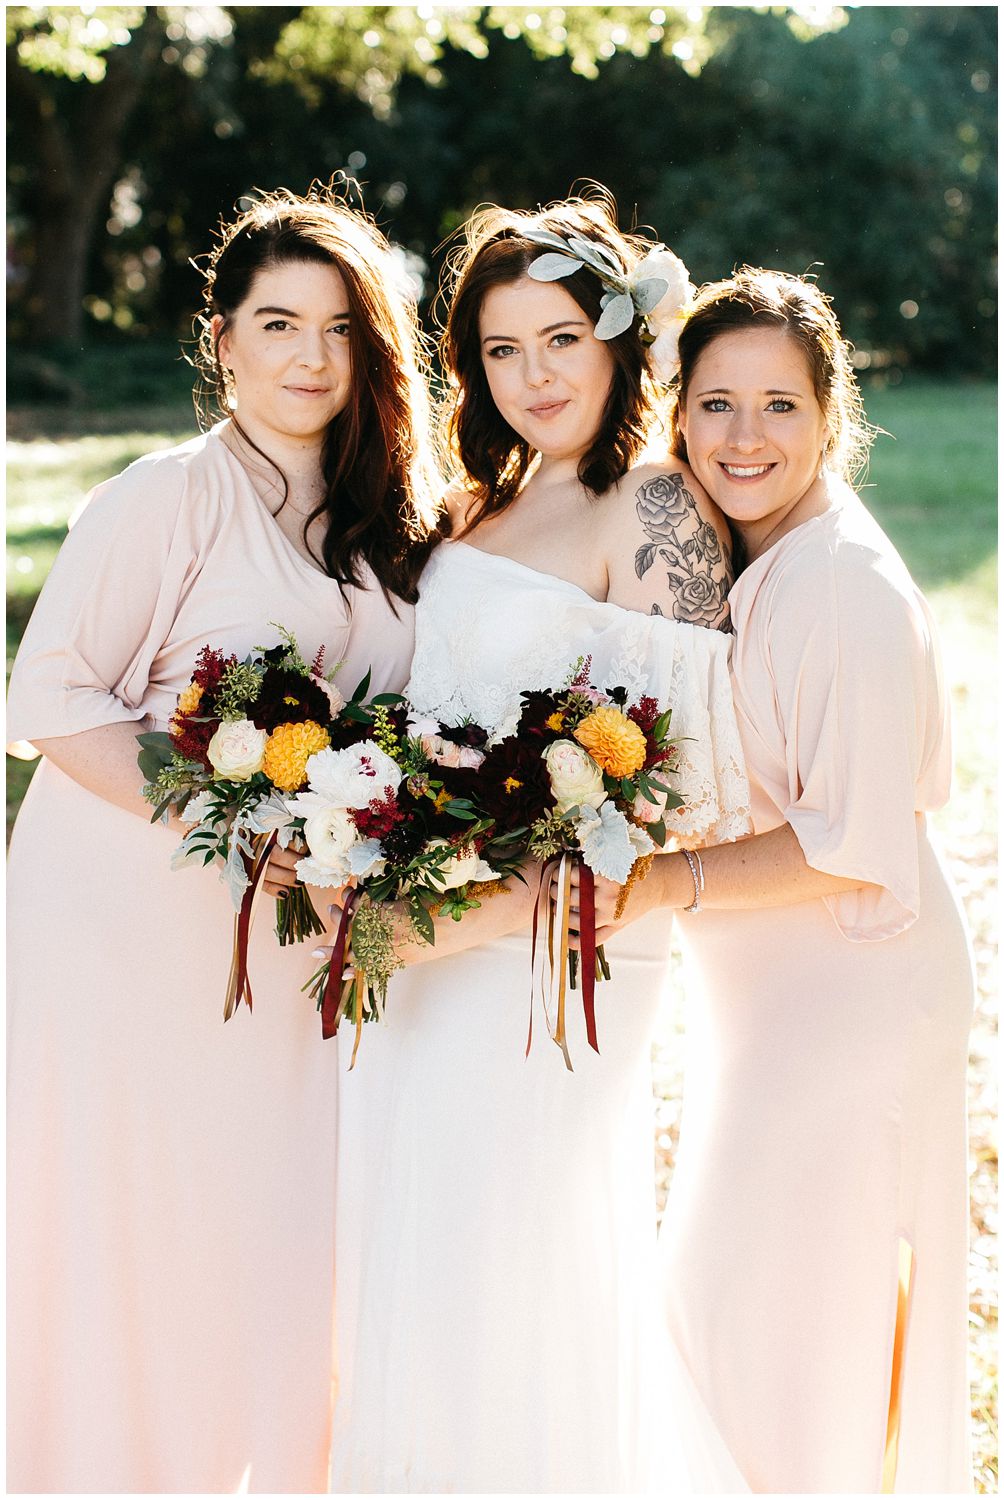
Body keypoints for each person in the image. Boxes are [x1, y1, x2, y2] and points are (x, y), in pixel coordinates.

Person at [6, 183, 439, 1492]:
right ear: (223, 339)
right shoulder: (165, 498)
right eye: (277, 323)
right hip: (127, 930)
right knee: (140, 1220)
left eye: (338, 328)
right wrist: (235, 815)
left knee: (266, 1223)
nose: (310, 356)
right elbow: (46, 699)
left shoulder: (386, 521)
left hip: (293, 940)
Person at [320, 194, 752, 1492]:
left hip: (545, 967)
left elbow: (679, 782)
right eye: (501, 351)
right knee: (408, 1252)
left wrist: (480, 906)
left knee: (513, 1259)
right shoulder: (471, 510)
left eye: (561, 338)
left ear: (621, 342)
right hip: (417, 951)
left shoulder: (662, 510)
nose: (534, 377)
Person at [586, 268, 976, 1492]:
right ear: (676, 416)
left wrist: (654, 882)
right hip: (774, 1013)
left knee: (782, 1317)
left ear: (829, 416)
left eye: (777, 406)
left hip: (852, 1000)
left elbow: (845, 839)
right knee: (746, 1302)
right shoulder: (747, 562)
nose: (743, 438)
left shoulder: (841, 584)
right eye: (714, 405)